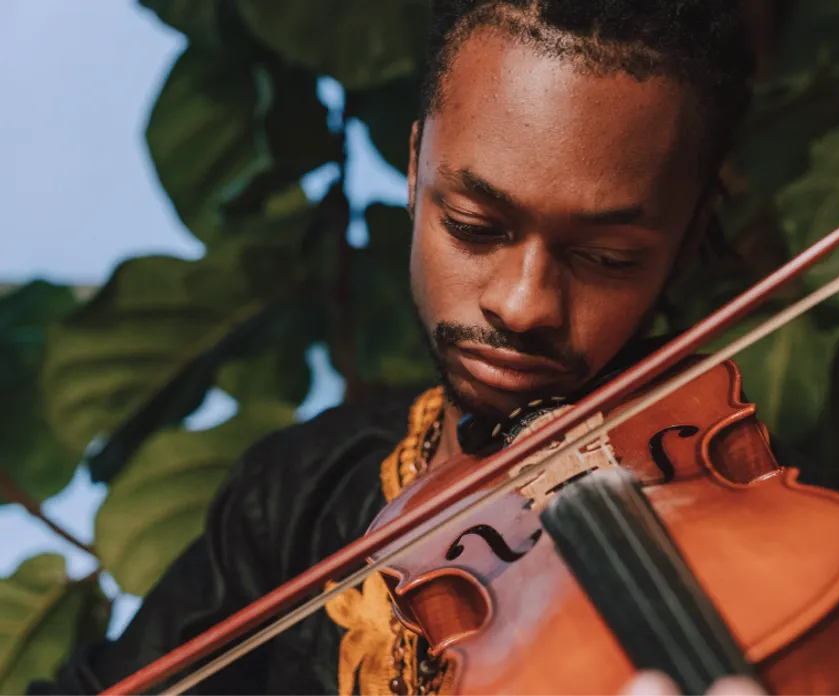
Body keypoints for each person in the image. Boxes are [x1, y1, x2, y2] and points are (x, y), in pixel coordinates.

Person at [31, 1, 776, 694]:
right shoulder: (298, 497)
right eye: (475, 227)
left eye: (608, 258)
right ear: (415, 166)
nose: (522, 305)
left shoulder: (777, 531)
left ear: (689, 238)